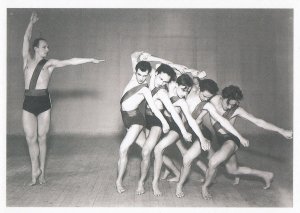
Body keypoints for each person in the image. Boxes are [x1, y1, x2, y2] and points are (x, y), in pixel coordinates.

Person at [22, 12, 104, 186]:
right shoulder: (27, 60)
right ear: (35, 48)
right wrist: (31, 23)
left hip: (43, 103)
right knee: (30, 138)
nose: (47, 49)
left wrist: (90, 60)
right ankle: (34, 171)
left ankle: (41, 174)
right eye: (44, 47)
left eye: (48, 47)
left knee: (42, 138)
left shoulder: (50, 64)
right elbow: (26, 37)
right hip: (28, 103)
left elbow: (71, 61)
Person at [201, 85, 293, 200]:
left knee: (213, 162)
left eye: (233, 104)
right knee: (233, 170)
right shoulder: (213, 99)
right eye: (228, 103)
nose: (230, 107)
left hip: (231, 140)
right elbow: (200, 86)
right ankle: (266, 175)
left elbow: (259, 122)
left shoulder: (237, 110)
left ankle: (205, 186)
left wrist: (282, 131)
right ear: (222, 97)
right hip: (221, 141)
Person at [174, 78, 249, 198]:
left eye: (208, 98)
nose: (205, 99)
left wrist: (239, 137)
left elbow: (223, 121)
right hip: (186, 131)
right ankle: (226, 171)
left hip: (202, 134)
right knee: (210, 159)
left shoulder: (208, 105)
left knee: (187, 159)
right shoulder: (190, 90)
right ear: (198, 89)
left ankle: (180, 185)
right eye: (204, 96)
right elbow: (185, 77)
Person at [134, 58, 193, 195]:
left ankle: (149, 182)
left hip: (157, 122)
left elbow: (173, 112)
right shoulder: (150, 78)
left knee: (146, 151)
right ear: (155, 74)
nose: (162, 83)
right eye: (160, 79)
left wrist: (184, 132)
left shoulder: (162, 92)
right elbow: (146, 59)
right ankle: (175, 171)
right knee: (155, 152)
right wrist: (156, 59)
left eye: (166, 82)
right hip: (146, 119)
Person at [116, 51, 170, 194]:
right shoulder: (135, 76)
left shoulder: (145, 89)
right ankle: (171, 167)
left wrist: (164, 122)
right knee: (148, 149)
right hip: (126, 118)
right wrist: (142, 52)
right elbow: (133, 56)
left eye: (145, 76)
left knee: (123, 149)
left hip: (136, 120)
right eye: (139, 74)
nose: (141, 78)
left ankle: (120, 181)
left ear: (149, 74)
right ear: (136, 71)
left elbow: (154, 108)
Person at [151, 74, 212, 196]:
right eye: (183, 90)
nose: (185, 94)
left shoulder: (182, 101)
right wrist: (191, 71)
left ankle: (159, 183)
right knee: (175, 151)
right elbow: (162, 69)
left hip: (179, 127)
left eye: (187, 91)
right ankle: (161, 179)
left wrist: (201, 138)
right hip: (168, 124)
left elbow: (190, 120)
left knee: (163, 150)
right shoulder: (169, 84)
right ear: (177, 84)